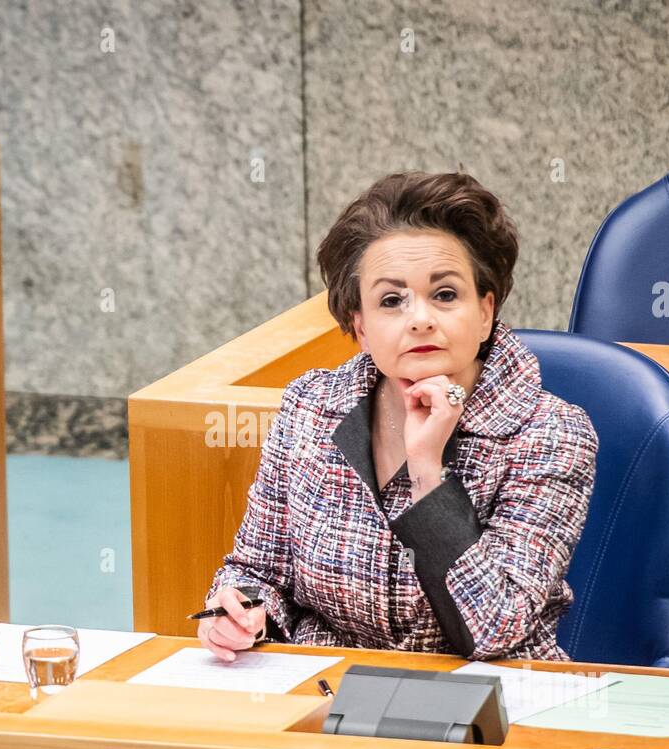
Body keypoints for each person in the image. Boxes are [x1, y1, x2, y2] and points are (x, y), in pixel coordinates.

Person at [199, 169, 598, 663]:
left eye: (446, 294)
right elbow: (258, 571)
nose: (421, 318)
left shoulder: (550, 435)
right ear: (360, 327)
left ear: (485, 311)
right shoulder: (310, 408)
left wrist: (428, 472)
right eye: (392, 300)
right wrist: (239, 612)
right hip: (328, 696)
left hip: (490, 708)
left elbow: (496, 630)